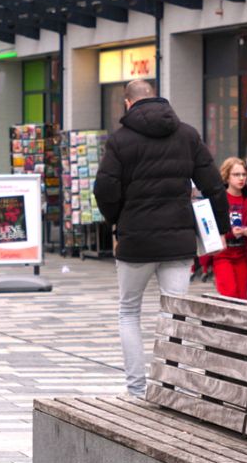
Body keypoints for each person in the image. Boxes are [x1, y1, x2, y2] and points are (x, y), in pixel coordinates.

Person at [95, 79, 229, 398]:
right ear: (156, 97)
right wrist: (219, 227)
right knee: (174, 312)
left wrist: (116, 220)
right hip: (178, 241)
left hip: (135, 241)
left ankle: (136, 388)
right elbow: (213, 186)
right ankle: (168, 384)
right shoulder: (187, 134)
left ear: (128, 104)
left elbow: (104, 189)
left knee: (129, 311)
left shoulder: (120, 140)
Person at [212, 157, 247, 300]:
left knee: (242, 297)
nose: (241, 178)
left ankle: (238, 323)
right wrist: (229, 233)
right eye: (236, 175)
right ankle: (226, 323)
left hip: (243, 253)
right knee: (229, 294)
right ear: (227, 176)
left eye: (244, 174)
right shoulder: (219, 197)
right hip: (223, 253)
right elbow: (210, 226)